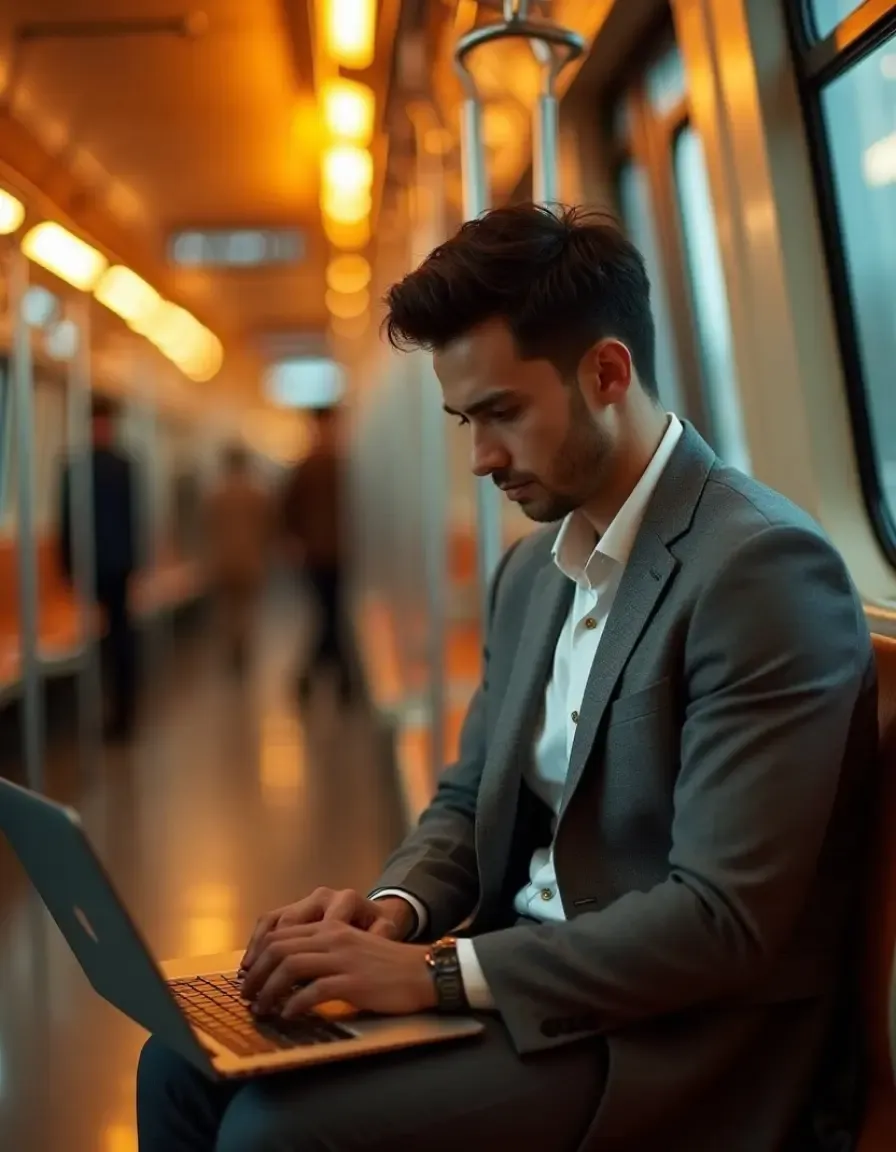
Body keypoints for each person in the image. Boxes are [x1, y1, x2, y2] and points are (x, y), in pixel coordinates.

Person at [137, 204, 877, 1151]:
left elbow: (721, 920)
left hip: (672, 1039)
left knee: (271, 1133)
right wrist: (392, 913)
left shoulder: (760, 571)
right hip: (527, 981)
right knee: (180, 1061)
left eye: (502, 414)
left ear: (608, 373)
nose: (482, 457)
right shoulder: (533, 572)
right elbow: (464, 799)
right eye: (465, 421)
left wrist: (438, 979)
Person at [59, 394, 138, 741]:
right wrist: (67, 565)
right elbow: (66, 519)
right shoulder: (75, 467)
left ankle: (121, 710)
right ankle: (99, 706)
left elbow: (134, 518)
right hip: (89, 564)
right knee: (101, 637)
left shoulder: (121, 466)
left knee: (119, 638)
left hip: (116, 565)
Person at [280, 406, 354, 702]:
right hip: (321, 555)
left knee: (328, 615)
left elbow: (286, 511)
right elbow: (288, 511)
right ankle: (332, 679)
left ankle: (313, 679)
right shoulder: (328, 466)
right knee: (330, 615)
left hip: (330, 553)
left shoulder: (319, 466)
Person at [203, 443, 273, 672]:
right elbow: (267, 529)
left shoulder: (216, 495)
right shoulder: (256, 494)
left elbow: (207, 529)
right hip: (250, 560)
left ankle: (233, 648)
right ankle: (243, 647)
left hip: (223, 560)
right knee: (246, 609)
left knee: (227, 609)